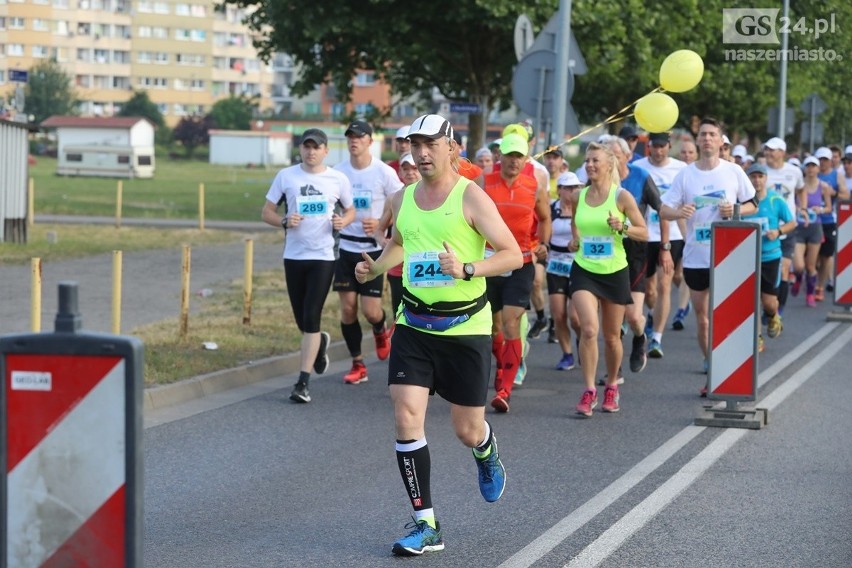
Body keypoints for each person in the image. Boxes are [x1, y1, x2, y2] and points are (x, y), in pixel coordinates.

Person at [353, 113, 522, 556]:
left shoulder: (472, 197)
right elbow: (403, 244)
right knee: (407, 414)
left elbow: (512, 256)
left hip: (465, 327)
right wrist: (375, 265)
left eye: (430, 144)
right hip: (414, 324)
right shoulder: (403, 197)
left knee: (466, 429)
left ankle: (485, 449)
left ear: (452, 147)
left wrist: (468, 268)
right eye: (415, 145)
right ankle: (426, 523)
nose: (422, 153)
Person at [660, 117, 756, 393]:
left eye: (712, 134)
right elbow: (664, 209)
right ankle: (711, 365)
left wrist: (734, 211)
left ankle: (730, 371)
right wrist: (680, 212)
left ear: (721, 140)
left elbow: (752, 204)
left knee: (727, 316)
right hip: (696, 256)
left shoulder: (733, 171)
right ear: (698, 139)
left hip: (728, 255)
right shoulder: (687, 174)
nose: (707, 139)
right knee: (702, 317)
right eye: (702, 134)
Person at [261, 128, 355, 403]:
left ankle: (302, 383)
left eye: (317, 147)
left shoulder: (338, 178)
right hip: (294, 255)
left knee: (312, 315)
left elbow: (350, 210)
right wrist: (283, 221)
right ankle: (320, 342)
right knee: (301, 319)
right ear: (300, 149)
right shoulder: (286, 176)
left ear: (326, 150)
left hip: (324, 256)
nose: (311, 152)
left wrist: (344, 222)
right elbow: (266, 211)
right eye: (307, 146)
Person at [567, 142, 648, 417]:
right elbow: (575, 224)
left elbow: (643, 232)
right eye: (587, 160)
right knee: (589, 328)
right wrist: (575, 240)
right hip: (584, 269)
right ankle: (589, 390)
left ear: (609, 165)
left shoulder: (622, 197)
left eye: (595, 161)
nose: (589, 165)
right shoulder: (580, 195)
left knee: (612, 336)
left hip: (614, 271)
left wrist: (622, 226)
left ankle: (612, 385)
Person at [478, 133, 551, 412]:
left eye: (519, 156)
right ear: (500, 156)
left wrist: (542, 244)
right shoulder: (484, 182)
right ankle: (502, 368)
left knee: (511, 322)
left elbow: (544, 218)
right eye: (508, 155)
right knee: (493, 325)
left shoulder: (535, 187)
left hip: (520, 261)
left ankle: (505, 389)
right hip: (488, 261)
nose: (513, 161)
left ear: (526, 158)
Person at [333, 120, 403, 385]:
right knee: (348, 310)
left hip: (373, 250)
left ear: (369, 141)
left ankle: (379, 329)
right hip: (346, 247)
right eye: (350, 137)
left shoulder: (383, 172)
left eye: (359, 137)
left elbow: (402, 202)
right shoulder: (338, 172)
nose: (354, 141)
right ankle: (358, 363)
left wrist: (381, 223)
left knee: (371, 310)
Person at [600, 134, 666, 377]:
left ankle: (640, 337)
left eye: (616, 156)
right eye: (608, 157)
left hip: (636, 249)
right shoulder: (599, 182)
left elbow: (662, 210)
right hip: (608, 250)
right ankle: (613, 372)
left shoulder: (640, 177)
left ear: (628, 156)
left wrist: (666, 247)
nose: (612, 162)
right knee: (611, 318)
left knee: (632, 315)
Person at [632, 132, 686, 358]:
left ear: (669, 146)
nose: (659, 150)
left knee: (665, 285)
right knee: (650, 290)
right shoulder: (638, 167)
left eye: (663, 146)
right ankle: (652, 313)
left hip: (670, 235)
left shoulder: (681, 168)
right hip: (643, 235)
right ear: (649, 147)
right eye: (655, 146)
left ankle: (657, 338)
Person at [742, 163, 796, 351]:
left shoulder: (775, 200)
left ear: (766, 179)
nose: (756, 180)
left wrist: (778, 231)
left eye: (760, 177)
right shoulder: (743, 202)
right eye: (753, 177)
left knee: (768, 302)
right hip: (748, 257)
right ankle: (756, 337)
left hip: (770, 257)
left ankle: (773, 315)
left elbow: (792, 223)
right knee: (750, 301)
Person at [763, 136, 804, 315]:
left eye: (773, 150)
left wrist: (802, 207)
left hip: (787, 226)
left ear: (782, 153)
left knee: (785, 268)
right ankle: (768, 305)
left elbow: (801, 190)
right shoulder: (761, 172)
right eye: (767, 149)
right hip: (766, 229)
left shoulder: (794, 171)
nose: (769, 153)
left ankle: (779, 309)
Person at [547, 172, 582, 370]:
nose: (572, 192)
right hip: (556, 265)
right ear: (559, 190)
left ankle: (581, 341)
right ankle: (567, 354)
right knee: (559, 314)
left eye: (576, 187)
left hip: (577, 265)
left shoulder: (583, 208)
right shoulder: (552, 209)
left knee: (576, 317)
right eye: (568, 188)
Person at [791, 156, 834, 307]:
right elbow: (790, 201)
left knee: (810, 266)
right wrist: (797, 209)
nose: (810, 169)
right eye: (808, 166)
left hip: (815, 227)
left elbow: (829, 208)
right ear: (805, 168)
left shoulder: (823, 187)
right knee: (798, 266)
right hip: (800, 227)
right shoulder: (798, 186)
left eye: (813, 166)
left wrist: (820, 209)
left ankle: (810, 293)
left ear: (817, 169)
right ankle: (797, 278)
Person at [386, 153, 421, 315]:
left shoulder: (438, 197)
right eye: (405, 169)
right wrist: (386, 243)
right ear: (399, 173)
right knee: (400, 316)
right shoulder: (395, 198)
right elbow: (380, 230)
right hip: (398, 269)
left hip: (424, 268)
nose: (410, 172)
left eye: (414, 168)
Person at [813, 146, 849, 300]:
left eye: (825, 160)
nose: (822, 163)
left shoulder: (836, 175)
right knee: (813, 258)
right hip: (812, 220)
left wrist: (833, 192)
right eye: (820, 160)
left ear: (830, 161)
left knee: (826, 256)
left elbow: (846, 194)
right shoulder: (810, 173)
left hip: (829, 219)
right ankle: (812, 278)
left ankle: (820, 286)